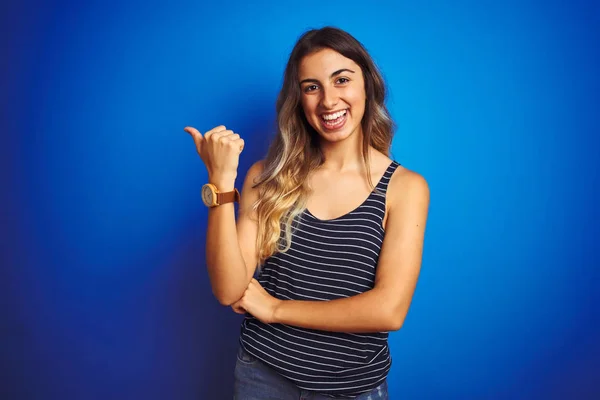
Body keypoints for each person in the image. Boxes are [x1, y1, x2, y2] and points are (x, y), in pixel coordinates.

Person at [184, 26, 429, 400]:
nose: (328, 100)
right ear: (298, 98)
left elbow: (388, 310)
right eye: (312, 86)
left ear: (367, 86)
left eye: (341, 80)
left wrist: (277, 308)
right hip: (262, 376)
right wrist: (220, 182)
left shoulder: (405, 187)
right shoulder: (266, 177)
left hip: (352, 388)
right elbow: (228, 289)